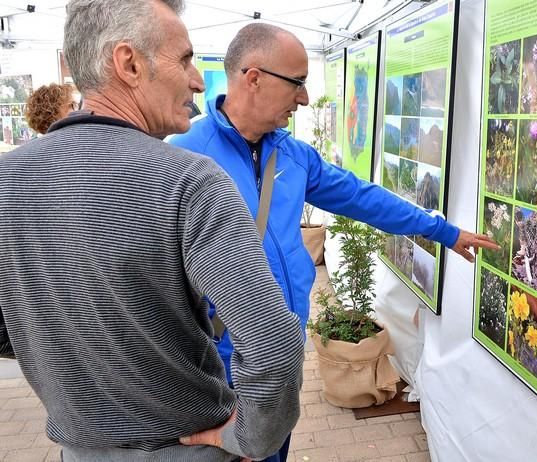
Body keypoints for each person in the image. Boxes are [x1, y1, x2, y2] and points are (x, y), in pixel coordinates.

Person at [169, 23, 499, 462]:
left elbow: (364, 199)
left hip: (281, 356)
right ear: (254, 77)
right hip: (218, 367)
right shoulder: (182, 156)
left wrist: (444, 231)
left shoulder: (293, 155)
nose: (304, 98)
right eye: (298, 83)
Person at [0, 2, 304, 461]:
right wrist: (251, 439)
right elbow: (274, 350)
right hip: (191, 448)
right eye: (184, 59)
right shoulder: (189, 179)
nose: (199, 80)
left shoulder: (7, 181)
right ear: (129, 64)